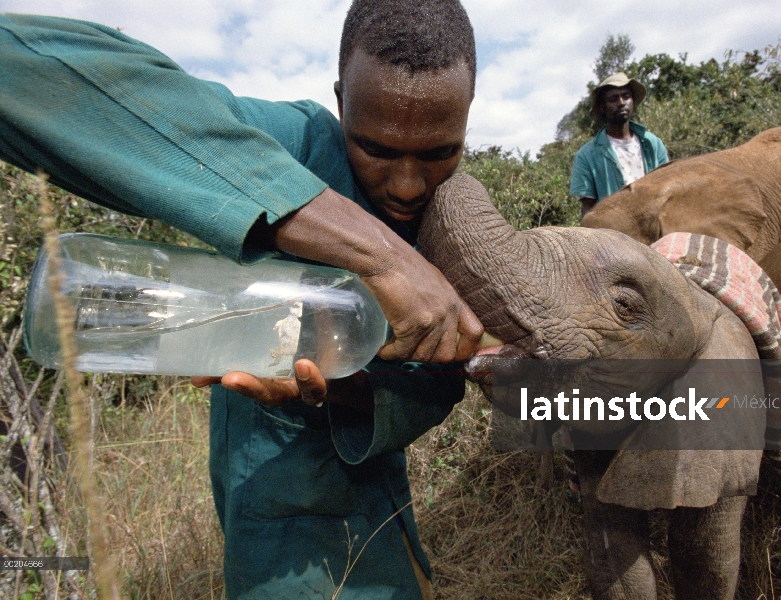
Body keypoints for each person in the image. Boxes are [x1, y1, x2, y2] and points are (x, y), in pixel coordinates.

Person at [0, 2, 483, 598]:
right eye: (375, 150)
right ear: (340, 100)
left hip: (383, 535)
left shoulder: (456, 220)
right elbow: (19, 60)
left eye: (439, 154)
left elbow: (441, 379)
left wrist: (345, 385)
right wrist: (377, 252)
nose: (408, 185)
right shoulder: (292, 143)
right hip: (273, 550)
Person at [569, 72, 669, 217]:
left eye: (626, 96)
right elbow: (588, 210)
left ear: (633, 101)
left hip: (655, 228)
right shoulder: (586, 156)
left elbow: (668, 191)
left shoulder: (653, 144)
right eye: (613, 99)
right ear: (602, 107)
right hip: (614, 235)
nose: (621, 102)